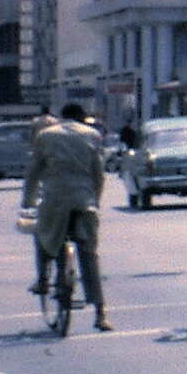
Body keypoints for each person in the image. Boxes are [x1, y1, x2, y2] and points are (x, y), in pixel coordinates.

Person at [27, 101, 111, 331]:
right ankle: (100, 313)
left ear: (62, 117)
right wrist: (96, 201)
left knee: (42, 234)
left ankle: (43, 279)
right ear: (82, 117)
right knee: (89, 254)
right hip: (84, 201)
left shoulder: (46, 135)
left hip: (54, 199)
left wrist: (27, 202)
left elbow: (33, 172)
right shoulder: (92, 135)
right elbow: (99, 174)